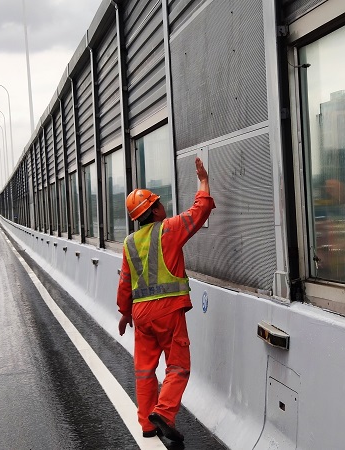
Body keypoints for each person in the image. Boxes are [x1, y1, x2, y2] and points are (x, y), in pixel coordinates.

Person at [117, 157, 215, 442]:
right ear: (154, 209)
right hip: (169, 311)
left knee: (145, 371)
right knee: (178, 365)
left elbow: (125, 282)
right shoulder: (169, 229)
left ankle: (147, 425)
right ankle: (164, 413)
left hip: (140, 315)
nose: (164, 207)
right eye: (159, 203)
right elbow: (200, 210)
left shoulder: (129, 242)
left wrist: (124, 313)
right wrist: (204, 181)